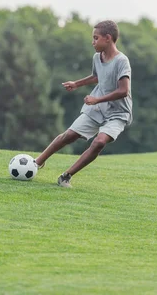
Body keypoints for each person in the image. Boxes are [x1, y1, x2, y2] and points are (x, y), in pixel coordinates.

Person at [35, 20, 132, 188]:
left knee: (99, 142)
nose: (92, 42)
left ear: (108, 38)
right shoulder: (97, 57)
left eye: (96, 38)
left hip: (118, 113)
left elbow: (124, 91)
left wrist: (97, 99)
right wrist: (76, 84)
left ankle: (66, 176)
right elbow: (97, 77)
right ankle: (37, 162)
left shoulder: (122, 61)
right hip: (97, 108)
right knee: (69, 135)